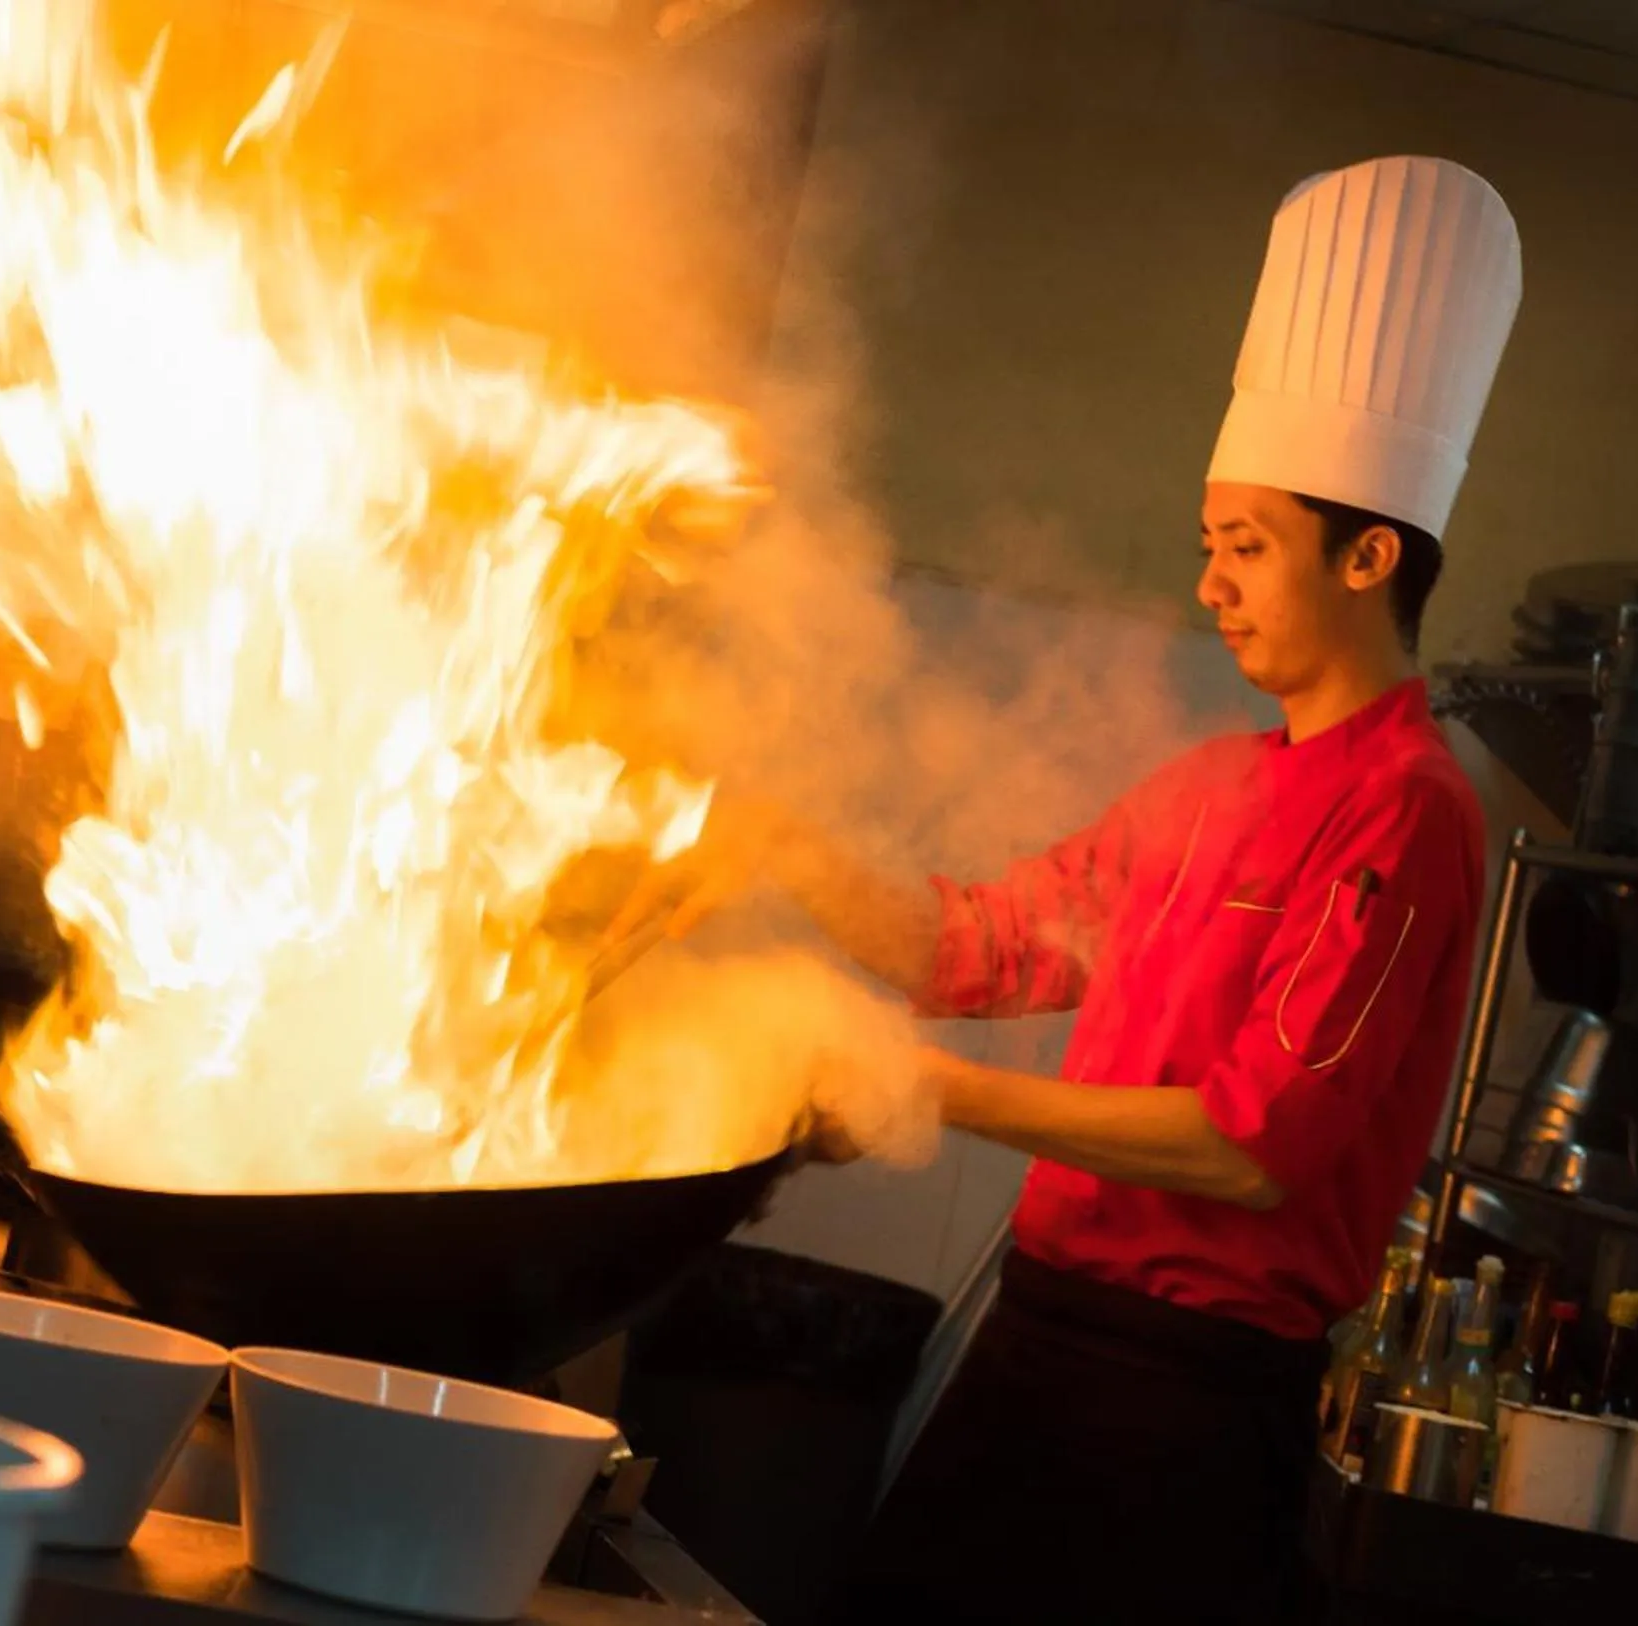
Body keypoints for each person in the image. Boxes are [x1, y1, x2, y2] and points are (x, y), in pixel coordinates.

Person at [631, 155, 1521, 1622]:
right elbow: (970, 948)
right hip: (1038, 1350)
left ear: (1370, 555)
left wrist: (919, 1086)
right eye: (1206, 547)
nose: (1210, 584)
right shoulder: (1211, 788)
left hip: (1182, 1411)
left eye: (1245, 548)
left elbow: (1250, 1147)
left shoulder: (1410, 809)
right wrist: (763, 833)